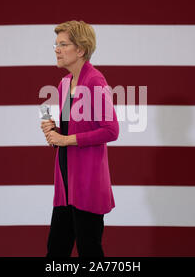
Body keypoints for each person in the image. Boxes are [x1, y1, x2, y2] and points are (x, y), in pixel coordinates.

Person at [41, 20, 119, 257]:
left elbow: (111, 130)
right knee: (56, 250)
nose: (57, 49)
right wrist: (54, 132)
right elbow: (71, 131)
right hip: (65, 183)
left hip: (88, 184)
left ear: (81, 50)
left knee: (89, 250)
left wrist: (66, 140)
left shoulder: (96, 81)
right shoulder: (64, 83)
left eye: (63, 44)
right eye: (56, 44)